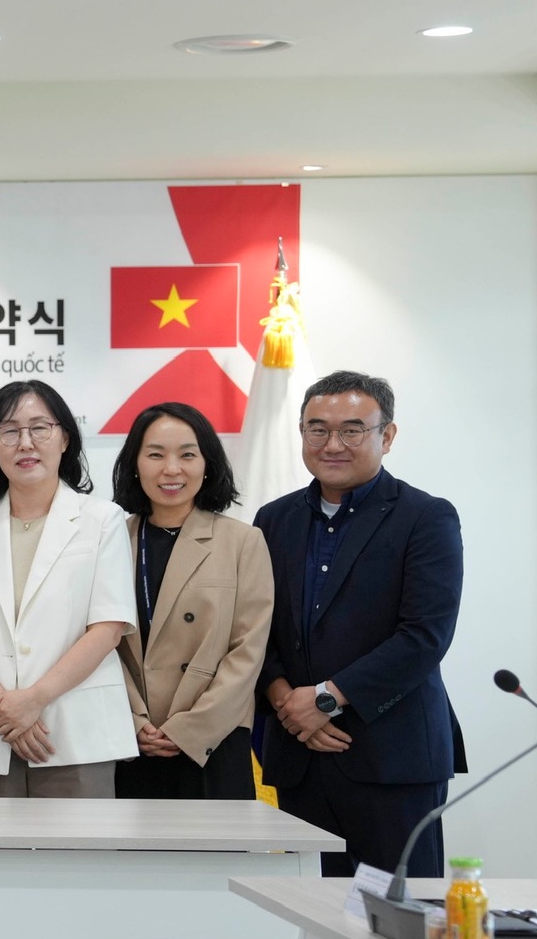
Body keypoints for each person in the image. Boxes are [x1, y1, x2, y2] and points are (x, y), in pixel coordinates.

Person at [254, 370, 462, 877]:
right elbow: (255, 628)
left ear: (386, 436)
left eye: (352, 430)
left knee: (398, 910)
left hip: (391, 755)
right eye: (318, 429)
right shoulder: (273, 520)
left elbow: (425, 636)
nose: (332, 444)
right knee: (306, 906)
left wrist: (326, 699)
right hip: (299, 753)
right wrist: (288, 704)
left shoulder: (425, 517)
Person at [0, 380, 137, 797]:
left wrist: (33, 700)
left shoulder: (103, 519)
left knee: (79, 843)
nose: (25, 443)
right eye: (9, 431)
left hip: (75, 734)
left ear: (65, 438)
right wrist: (5, 709)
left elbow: (107, 629)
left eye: (39, 428)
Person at [109, 403, 273, 800]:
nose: (171, 469)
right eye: (155, 455)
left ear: (207, 464)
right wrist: (131, 721)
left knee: (215, 843)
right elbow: (97, 644)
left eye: (187, 455)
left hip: (213, 739)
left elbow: (248, 650)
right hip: (129, 740)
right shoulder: (109, 539)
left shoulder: (242, 541)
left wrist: (191, 729)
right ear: (135, 464)